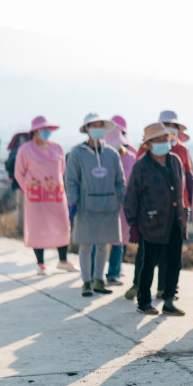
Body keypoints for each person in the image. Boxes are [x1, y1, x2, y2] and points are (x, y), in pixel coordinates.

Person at [124, 123, 187, 316]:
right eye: (157, 140)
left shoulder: (175, 161)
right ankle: (144, 302)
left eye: (164, 139)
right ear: (149, 144)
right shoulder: (141, 166)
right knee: (148, 263)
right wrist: (133, 224)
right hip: (151, 223)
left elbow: (180, 190)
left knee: (174, 262)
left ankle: (169, 301)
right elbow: (131, 197)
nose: (162, 143)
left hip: (175, 221)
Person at [65, 113, 125, 297]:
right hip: (86, 206)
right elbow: (71, 180)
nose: (97, 128)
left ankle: (99, 280)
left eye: (100, 125)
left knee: (103, 245)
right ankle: (86, 282)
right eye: (94, 125)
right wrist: (73, 202)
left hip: (108, 206)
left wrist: (121, 200)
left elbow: (120, 180)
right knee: (86, 245)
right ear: (86, 129)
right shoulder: (76, 154)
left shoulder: (112, 154)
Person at [14, 116, 77, 275]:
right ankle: (40, 263)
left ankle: (63, 260)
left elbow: (61, 169)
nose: (46, 132)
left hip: (56, 195)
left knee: (62, 226)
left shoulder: (57, 148)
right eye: (43, 129)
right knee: (37, 228)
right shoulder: (25, 150)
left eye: (48, 129)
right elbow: (19, 173)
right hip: (36, 197)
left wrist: (54, 184)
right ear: (35, 131)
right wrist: (29, 189)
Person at [103, 115, 137, 285]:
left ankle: (113, 272)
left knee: (118, 239)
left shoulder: (130, 157)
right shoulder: (102, 157)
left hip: (121, 205)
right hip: (110, 204)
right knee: (111, 240)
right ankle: (105, 273)